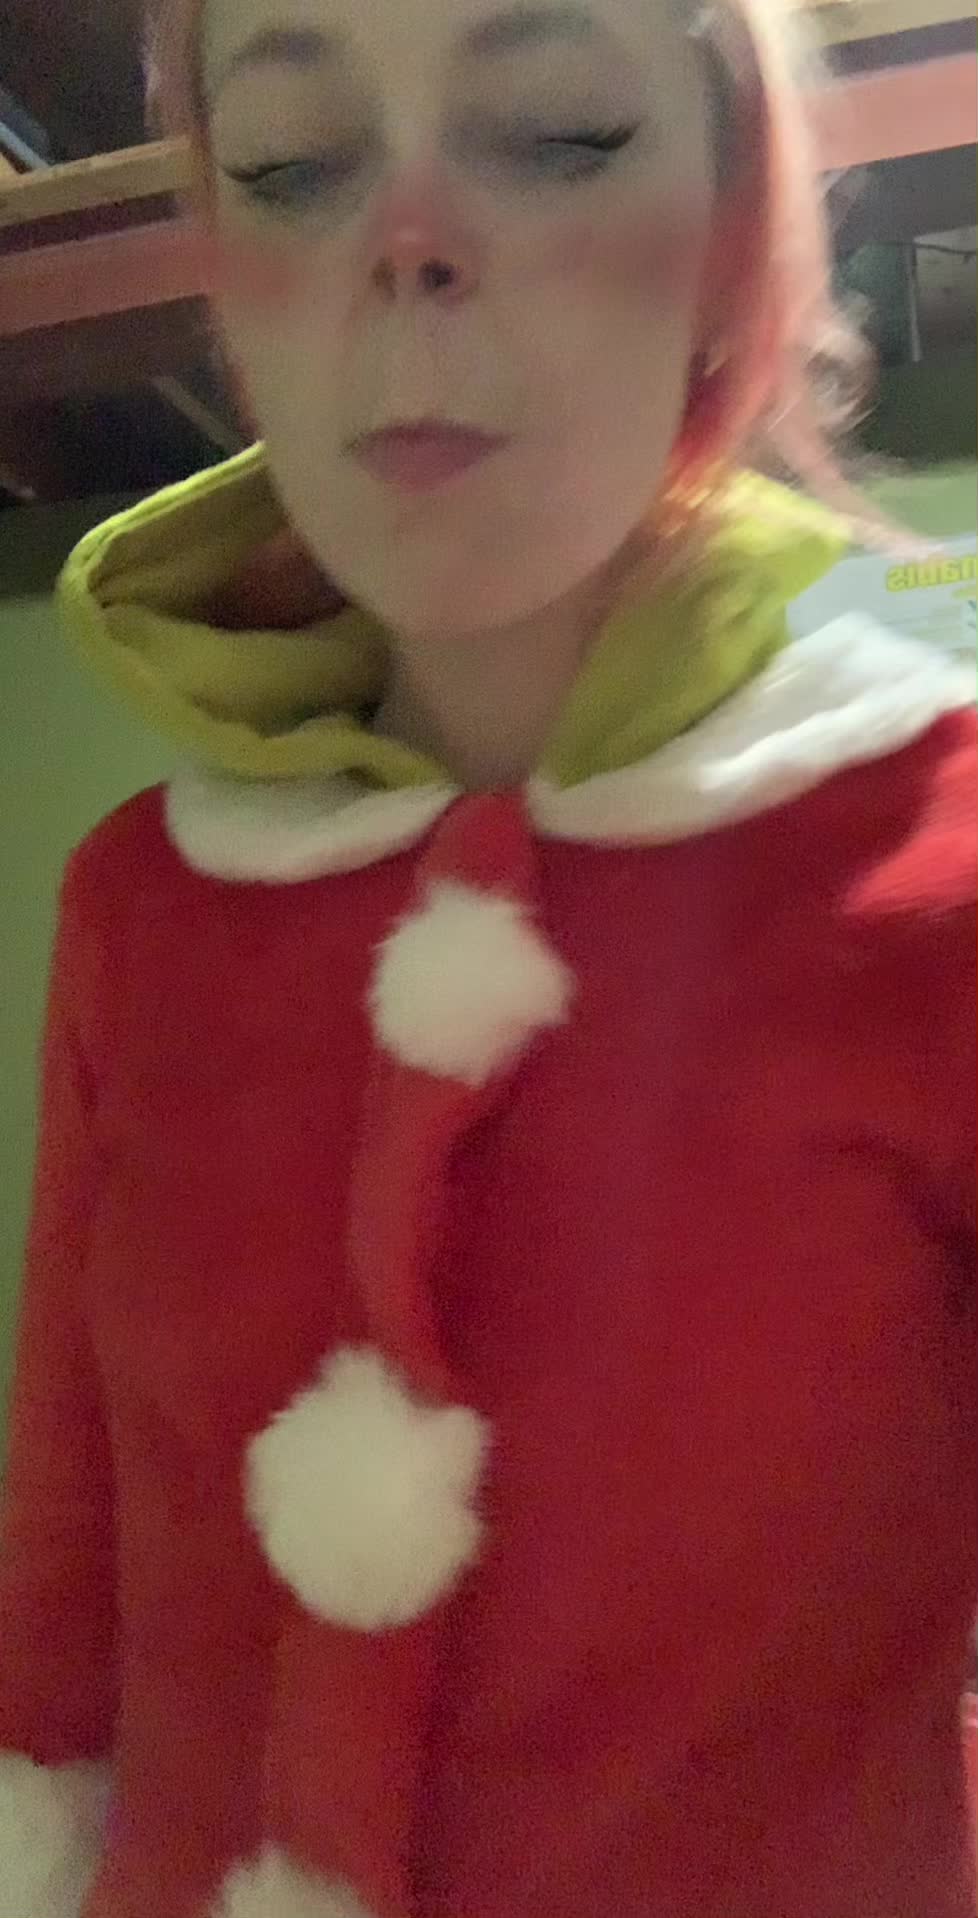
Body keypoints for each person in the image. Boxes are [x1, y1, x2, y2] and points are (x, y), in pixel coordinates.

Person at [0, 0, 975, 1909]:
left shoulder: (937, 875)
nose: (406, 244)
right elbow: (62, 1589)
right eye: (289, 165)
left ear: (733, 235)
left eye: (555, 130)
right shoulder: (139, 904)